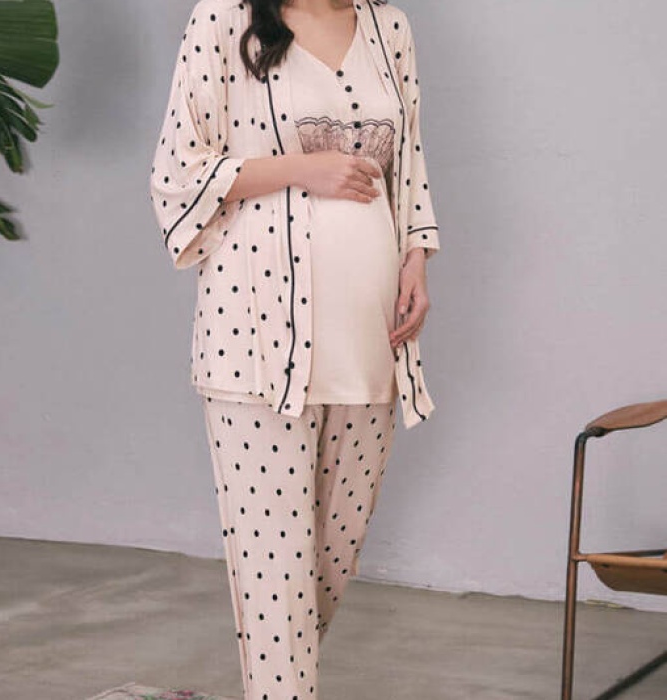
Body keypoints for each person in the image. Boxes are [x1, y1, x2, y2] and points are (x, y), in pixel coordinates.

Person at [149, 0, 442, 698]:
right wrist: (300, 170)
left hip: (372, 344)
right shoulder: (224, 18)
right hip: (255, 344)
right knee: (275, 581)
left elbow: (410, 164)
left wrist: (416, 259)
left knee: (325, 572)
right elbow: (178, 170)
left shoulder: (389, 28)